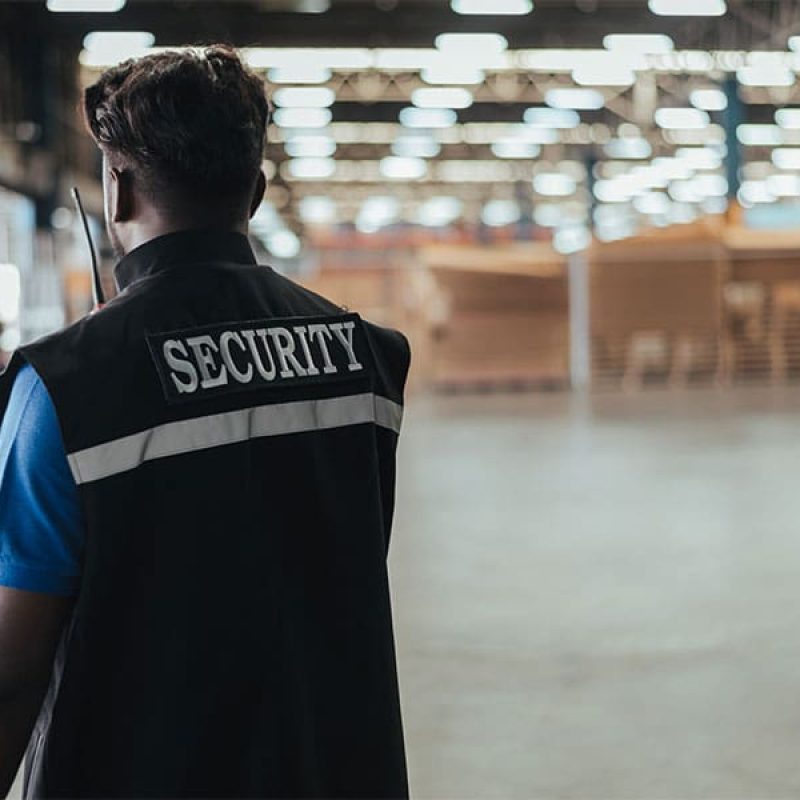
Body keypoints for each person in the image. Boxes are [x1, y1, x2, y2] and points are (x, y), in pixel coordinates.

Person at [0, 45, 410, 799]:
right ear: (253, 192)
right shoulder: (368, 360)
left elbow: (13, 668)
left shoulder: (62, 388)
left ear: (116, 192)